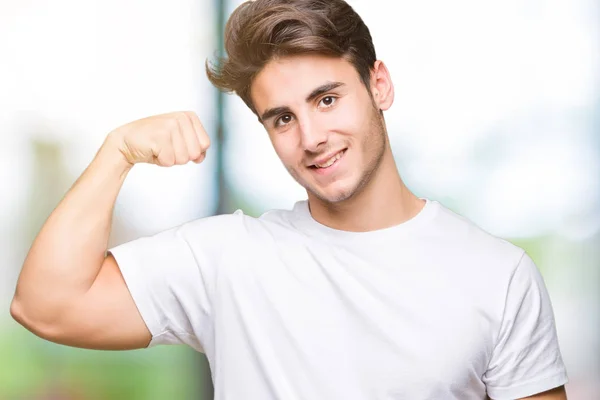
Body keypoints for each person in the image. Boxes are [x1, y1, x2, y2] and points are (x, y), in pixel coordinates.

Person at [10, 0, 569, 399]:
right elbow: (44, 305)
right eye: (283, 118)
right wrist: (118, 153)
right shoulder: (228, 258)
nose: (310, 137)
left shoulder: (497, 275)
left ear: (379, 86)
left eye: (326, 99)